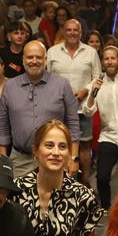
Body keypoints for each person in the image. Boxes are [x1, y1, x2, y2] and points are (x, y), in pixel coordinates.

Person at [0, 41, 80, 179]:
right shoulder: (10, 86)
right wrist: (3, 161)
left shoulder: (62, 84)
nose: (34, 61)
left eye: (39, 57)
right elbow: (2, 128)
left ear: (45, 59)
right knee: (18, 200)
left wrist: (73, 158)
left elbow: (73, 123)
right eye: (30, 57)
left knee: (56, 200)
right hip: (19, 160)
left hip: (55, 158)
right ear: (23, 59)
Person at [46, 19, 102, 181]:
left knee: (84, 146)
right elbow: (47, 77)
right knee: (59, 143)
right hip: (58, 108)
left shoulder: (91, 52)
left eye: (75, 30)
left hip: (83, 107)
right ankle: (60, 180)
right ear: (63, 31)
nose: (72, 33)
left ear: (80, 32)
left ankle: (84, 182)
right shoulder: (52, 52)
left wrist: (86, 90)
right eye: (68, 30)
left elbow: (98, 77)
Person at [81, 45, 118, 209]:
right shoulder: (96, 84)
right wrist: (93, 93)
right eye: (106, 59)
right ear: (103, 63)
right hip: (109, 137)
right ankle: (105, 208)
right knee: (102, 177)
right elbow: (88, 111)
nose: (110, 62)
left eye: (113, 58)